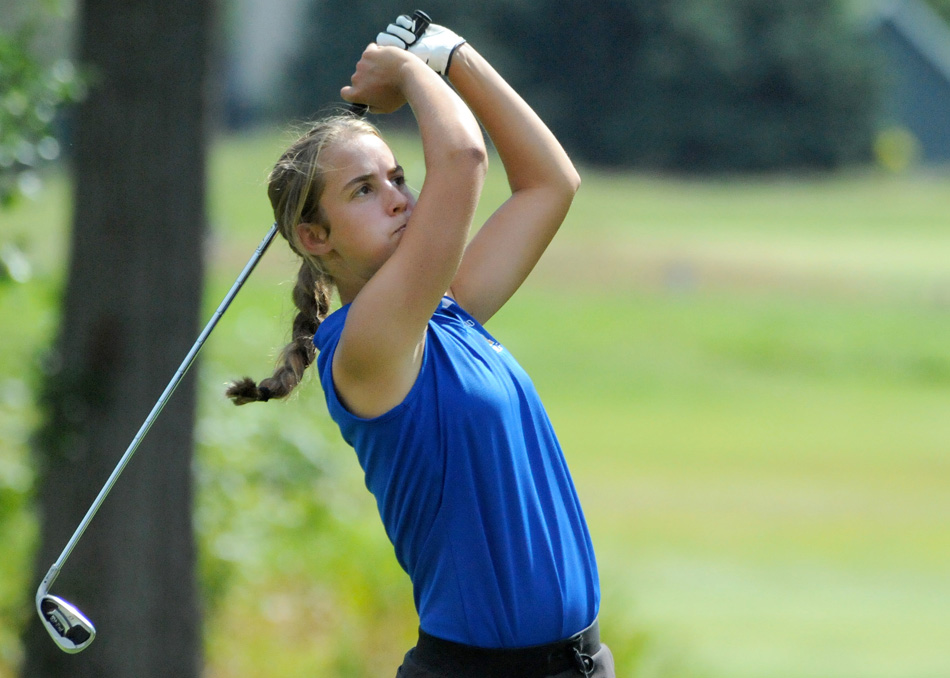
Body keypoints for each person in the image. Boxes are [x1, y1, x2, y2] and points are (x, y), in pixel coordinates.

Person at [227, 13, 615, 678]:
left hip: (579, 663)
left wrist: (454, 56)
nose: (399, 198)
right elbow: (463, 161)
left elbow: (550, 184)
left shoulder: (448, 312)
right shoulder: (365, 348)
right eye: (364, 190)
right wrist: (410, 71)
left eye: (398, 177)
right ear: (317, 238)